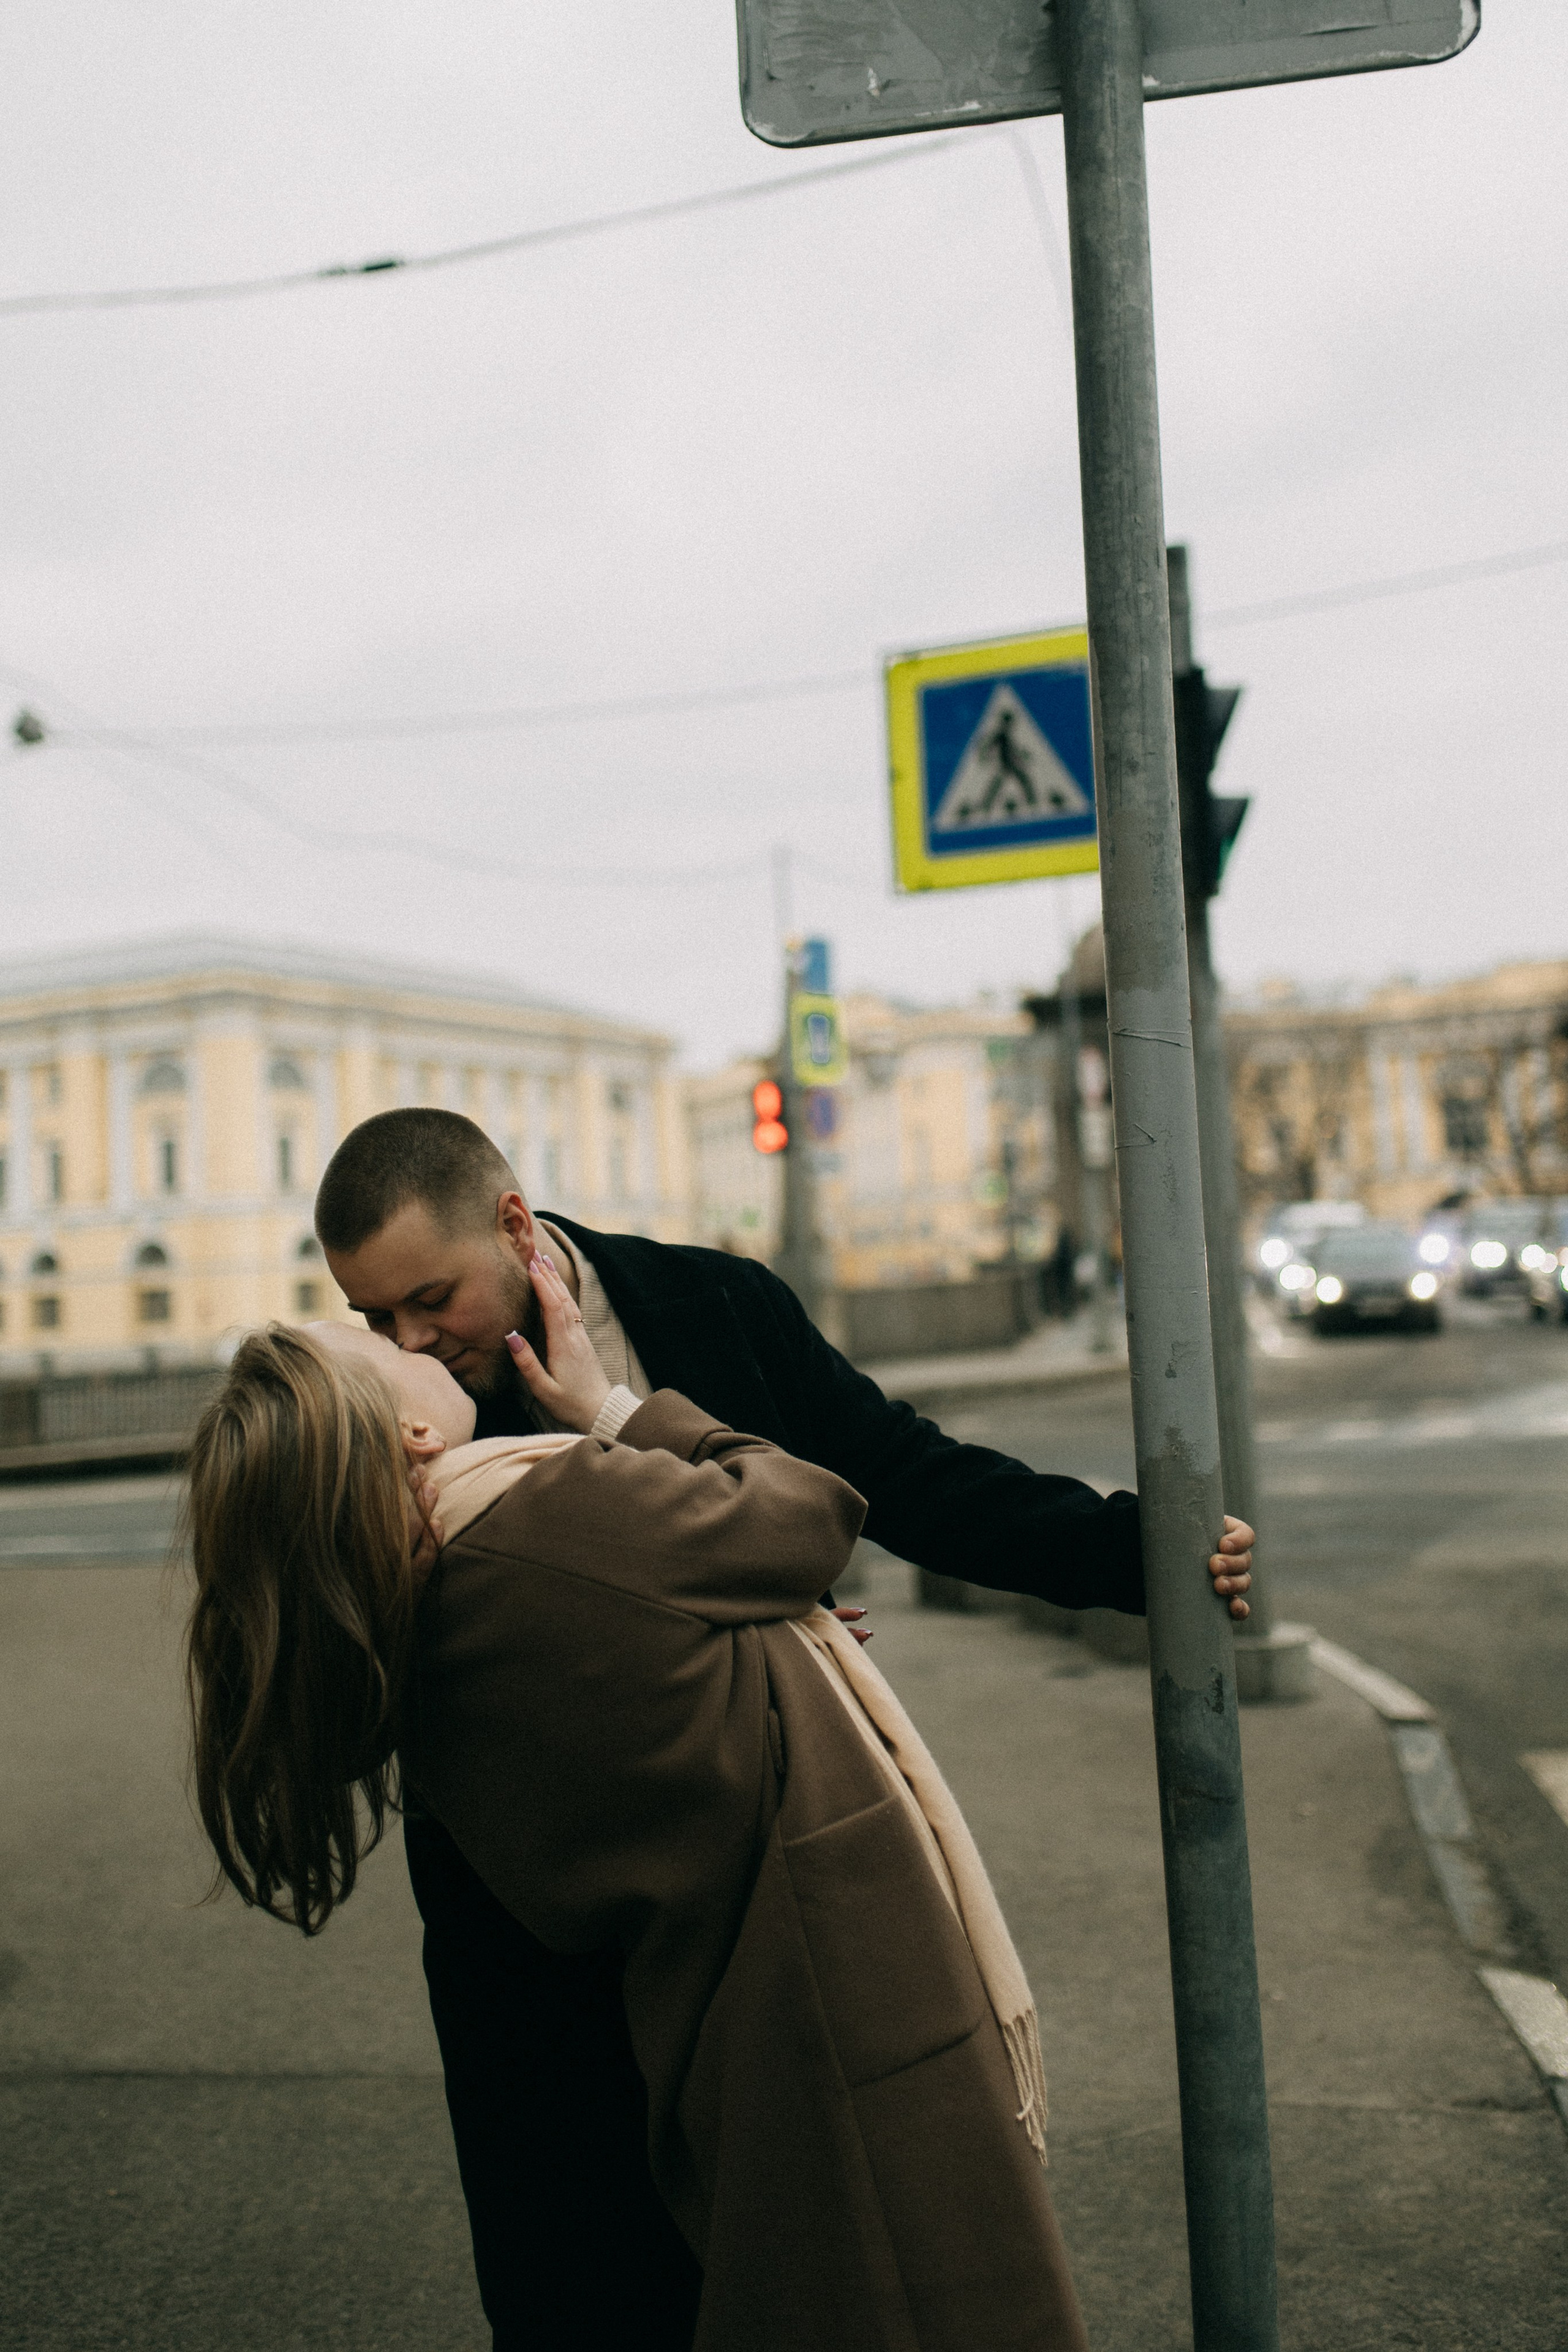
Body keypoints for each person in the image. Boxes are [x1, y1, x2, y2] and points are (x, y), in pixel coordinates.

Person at [311, 1108, 1254, 2348]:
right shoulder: (395, 1409)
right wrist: (724, 1633)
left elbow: (897, 1474)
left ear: (511, 1224)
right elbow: (377, 1654)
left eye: (429, 1299)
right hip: (522, 1917)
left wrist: (1138, 1554)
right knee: (574, 2278)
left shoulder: (711, 1305)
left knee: (794, 2252)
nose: (410, 1339)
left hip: (753, 1893)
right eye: (378, 1319)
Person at [184, 1308, 1096, 2349]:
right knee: (932, 2288)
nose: (418, 1348)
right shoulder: (554, 1509)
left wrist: (748, 1636)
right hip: (844, 1979)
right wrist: (619, 1412)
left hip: (720, 2020)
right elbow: (809, 1513)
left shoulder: (423, 1619)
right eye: (392, 1353)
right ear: (414, 1437)